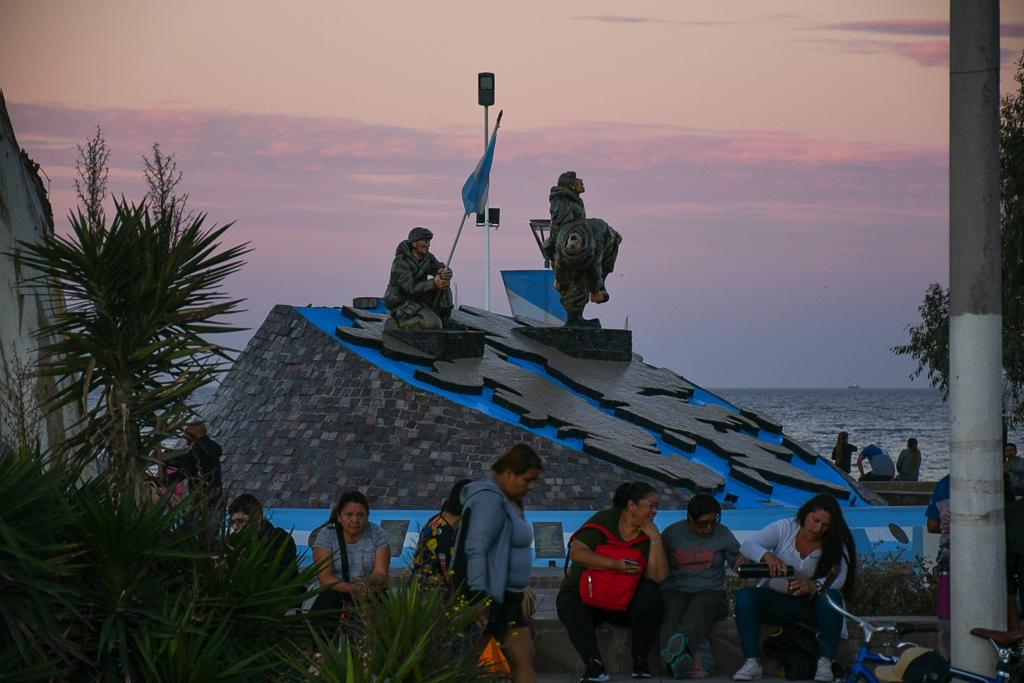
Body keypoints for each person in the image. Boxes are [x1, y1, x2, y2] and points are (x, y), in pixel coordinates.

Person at [732, 493, 857, 683]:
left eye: (825, 525)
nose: (818, 528)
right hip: (779, 599)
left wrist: (814, 585)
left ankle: (825, 662)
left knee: (832, 598)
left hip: (811, 605)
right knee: (745, 597)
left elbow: (840, 578)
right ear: (806, 514)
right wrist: (767, 556)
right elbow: (748, 545)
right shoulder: (785, 527)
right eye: (815, 520)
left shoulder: (836, 542)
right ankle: (752, 662)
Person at [557, 481, 669, 682]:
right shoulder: (604, 520)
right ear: (632, 506)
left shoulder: (649, 533)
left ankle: (640, 660)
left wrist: (655, 539)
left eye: (657, 506)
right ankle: (594, 665)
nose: (655, 511)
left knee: (651, 594)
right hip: (590, 597)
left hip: (624, 604)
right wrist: (614, 564)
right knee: (568, 602)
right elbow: (577, 553)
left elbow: (658, 577)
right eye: (651, 506)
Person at [454, 444, 544, 683]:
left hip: (507, 597)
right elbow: (476, 548)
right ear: (509, 474)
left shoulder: (508, 499)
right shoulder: (489, 500)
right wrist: (479, 597)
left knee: (523, 660)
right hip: (487, 597)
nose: (531, 486)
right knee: (469, 666)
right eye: (527, 480)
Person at [659, 493, 742, 679]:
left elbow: (737, 562)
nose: (709, 528)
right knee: (671, 613)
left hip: (711, 591)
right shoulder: (672, 534)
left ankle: (676, 658)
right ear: (690, 518)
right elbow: (659, 564)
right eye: (703, 524)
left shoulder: (723, 534)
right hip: (676, 588)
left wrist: (743, 561)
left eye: (713, 522)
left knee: (697, 611)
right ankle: (681, 662)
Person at [544, 171, 622, 328]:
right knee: (578, 277)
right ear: (571, 184)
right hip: (572, 244)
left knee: (578, 277)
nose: (581, 181)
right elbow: (562, 226)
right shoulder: (563, 202)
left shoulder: (569, 199)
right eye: (578, 180)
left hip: (571, 243)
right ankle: (577, 314)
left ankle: (577, 314)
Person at [305, 490, 390, 617]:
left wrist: (368, 582)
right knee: (328, 600)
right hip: (333, 591)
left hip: (367, 590)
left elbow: (381, 573)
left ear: (367, 516)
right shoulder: (326, 534)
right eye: (349, 515)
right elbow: (325, 578)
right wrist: (352, 588)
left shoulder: (378, 534)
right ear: (339, 517)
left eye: (360, 515)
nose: (355, 520)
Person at [383, 226, 453, 330]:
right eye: (425, 241)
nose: (428, 245)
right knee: (433, 324)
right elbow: (410, 289)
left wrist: (443, 272)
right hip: (402, 300)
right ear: (414, 243)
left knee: (444, 285)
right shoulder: (401, 262)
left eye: (428, 241)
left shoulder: (427, 257)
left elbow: (438, 267)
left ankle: (445, 318)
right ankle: (398, 324)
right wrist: (434, 282)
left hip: (419, 296)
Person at [412, 478, 471, 587]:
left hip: (418, 586)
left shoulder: (436, 520)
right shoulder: (445, 540)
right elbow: (450, 577)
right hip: (433, 593)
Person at [228, 493, 298, 577]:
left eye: (240, 521)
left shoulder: (279, 540)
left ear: (258, 518)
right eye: (232, 522)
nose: (235, 527)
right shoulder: (231, 542)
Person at [925, 474, 951, 658]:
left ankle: (947, 660)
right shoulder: (995, 479)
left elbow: (932, 525)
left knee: (946, 615)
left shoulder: (944, 484)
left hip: (948, 557)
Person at [168, 421, 223, 504]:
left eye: (187, 437)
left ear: (194, 435)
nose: (186, 442)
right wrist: (169, 457)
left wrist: (159, 481)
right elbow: (188, 460)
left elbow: (185, 470)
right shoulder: (210, 447)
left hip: (203, 499)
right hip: (216, 497)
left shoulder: (198, 451)